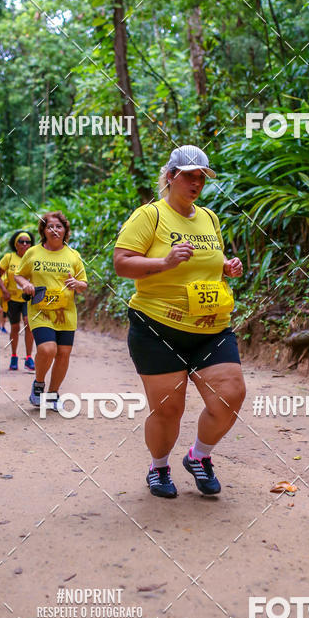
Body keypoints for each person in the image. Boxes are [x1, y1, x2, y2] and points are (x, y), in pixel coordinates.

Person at [114, 144, 246, 499]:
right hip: (157, 328)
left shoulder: (209, 218)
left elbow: (209, 260)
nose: (196, 183)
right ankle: (159, 468)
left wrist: (226, 267)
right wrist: (165, 263)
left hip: (210, 327)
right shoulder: (150, 216)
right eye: (189, 175)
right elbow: (122, 263)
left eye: (201, 177)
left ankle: (198, 456)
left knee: (231, 396)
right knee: (169, 409)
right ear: (171, 176)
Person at [14, 212, 87, 409]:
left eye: (59, 226)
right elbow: (18, 276)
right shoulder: (33, 253)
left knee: (63, 353)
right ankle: (38, 385)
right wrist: (26, 284)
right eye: (50, 227)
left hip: (66, 312)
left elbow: (83, 285)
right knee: (48, 349)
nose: (54, 230)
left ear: (65, 230)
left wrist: (76, 283)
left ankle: (53, 395)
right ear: (44, 232)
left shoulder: (73, 255)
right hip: (40, 311)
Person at [0, 231, 36, 371]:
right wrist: (4, 290)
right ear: (16, 244)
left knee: (28, 324)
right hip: (12, 298)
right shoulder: (9, 258)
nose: (25, 244)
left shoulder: (33, 258)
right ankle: (14, 357)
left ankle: (28, 358)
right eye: (22, 241)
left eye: (28, 242)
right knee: (15, 327)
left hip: (28, 299)